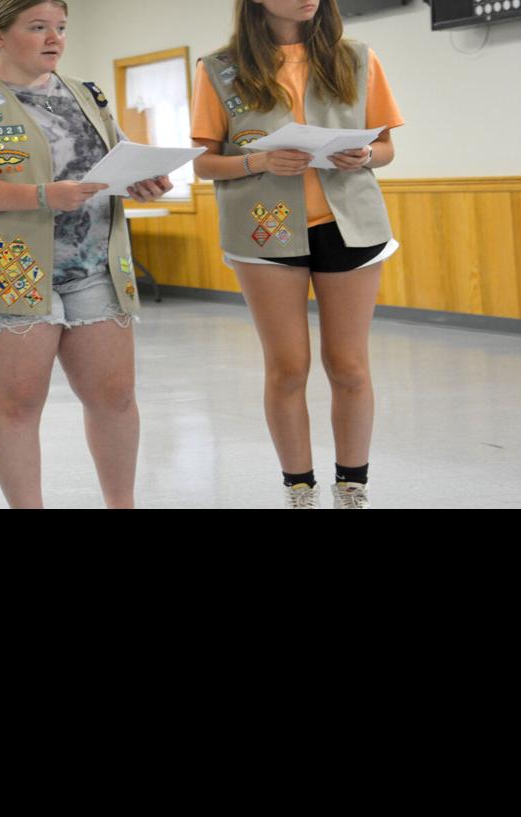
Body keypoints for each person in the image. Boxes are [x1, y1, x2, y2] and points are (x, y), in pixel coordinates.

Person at [0, 0, 172, 509]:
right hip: (1, 266)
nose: (55, 38)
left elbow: (116, 158)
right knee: (17, 404)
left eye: (61, 27)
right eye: (38, 27)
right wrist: (39, 196)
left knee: (115, 398)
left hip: (92, 264)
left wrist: (141, 178)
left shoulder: (85, 95)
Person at [191, 0, 405, 509]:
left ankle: (352, 487)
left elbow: (386, 148)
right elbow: (204, 164)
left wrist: (365, 154)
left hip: (349, 224)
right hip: (263, 233)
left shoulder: (357, 58)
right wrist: (259, 161)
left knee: (349, 366)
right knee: (288, 368)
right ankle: (299, 489)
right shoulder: (218, 69)